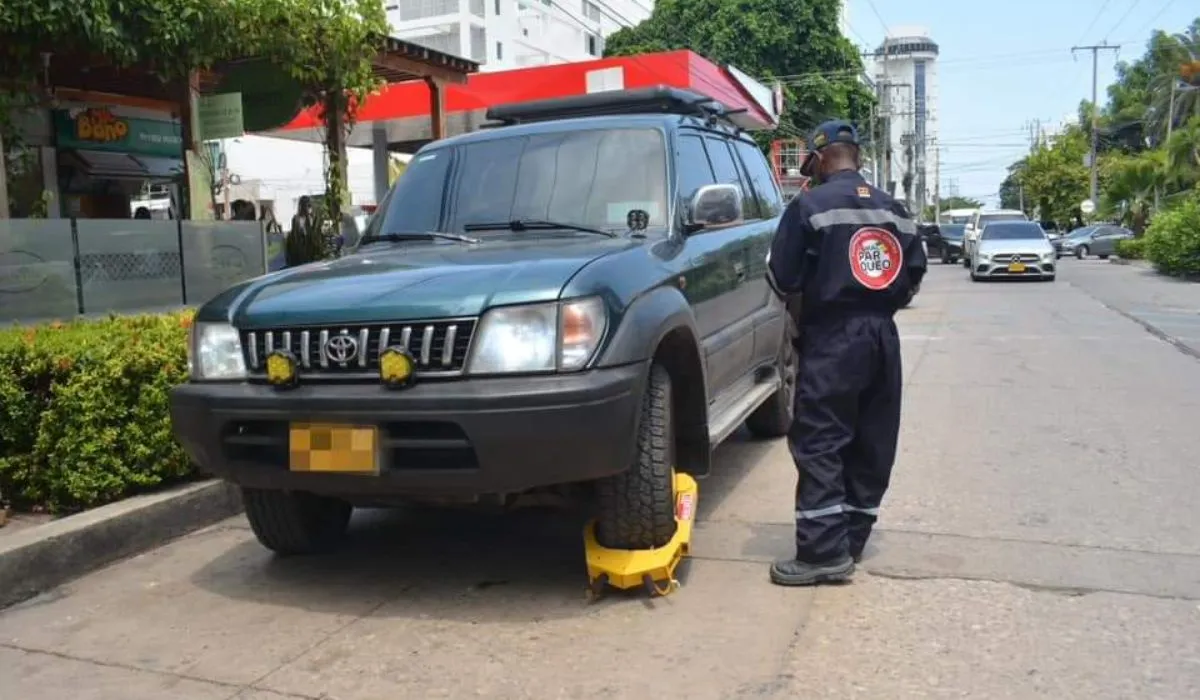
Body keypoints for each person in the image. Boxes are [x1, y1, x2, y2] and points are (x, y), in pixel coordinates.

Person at [765, 119, 927, 587]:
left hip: (833, 338)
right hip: (883, 336)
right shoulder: (893, 208)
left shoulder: (809, 205)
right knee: (872, 438)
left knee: (820, 439)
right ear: (856, 156)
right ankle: (850, 539)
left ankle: (821, 554)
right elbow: (913, 276)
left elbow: (782, 277)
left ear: (817, 159)